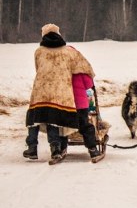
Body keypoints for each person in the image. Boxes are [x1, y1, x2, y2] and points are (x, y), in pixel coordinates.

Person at [24, 23, 102, 163]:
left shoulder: (39, 51)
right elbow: (88, 79)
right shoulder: (70, 54)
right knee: (84, 125)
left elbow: (38, 69)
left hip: (42, 92)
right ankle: (93, 150)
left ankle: (57, 148)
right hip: (69, 99)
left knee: (58, 124)